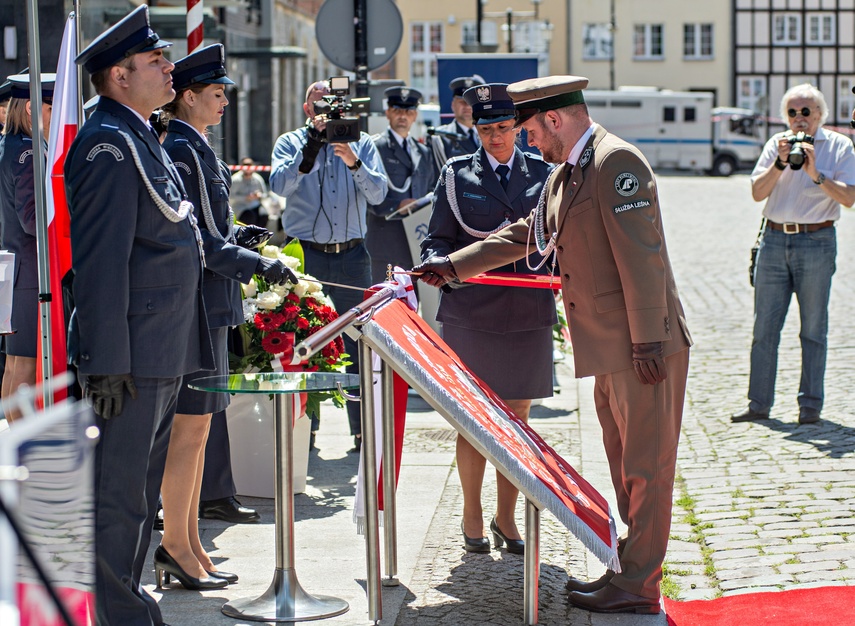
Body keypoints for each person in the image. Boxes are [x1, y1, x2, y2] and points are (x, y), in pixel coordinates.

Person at [414, 75, 692, 614]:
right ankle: (628, 568)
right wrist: (451, 265)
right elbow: (524, 233)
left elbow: (644, 261)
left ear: (555, 119)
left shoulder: (616, 164)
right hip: (613, 348)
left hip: (642, 348)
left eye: (530, 130)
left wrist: (650, 344)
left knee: (647, 467)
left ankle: (639, 585)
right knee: (624, 464)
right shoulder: (570, 172)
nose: (528, 143)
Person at [66, 6, 214, 624]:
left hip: (157, 346)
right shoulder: (109, 143)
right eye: (155, 61)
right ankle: (117, 612)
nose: (169, 67)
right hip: (129, 352)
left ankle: (127, 598)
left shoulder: (137, 135)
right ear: (119, 76)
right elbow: (101, 262)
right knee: (118, 496)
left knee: (136, 496)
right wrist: (105, 362)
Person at [159, 44, 296, 590]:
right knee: (189, 431)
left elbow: (215, 229)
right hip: (195, 302)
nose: (223, 104)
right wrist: (256, 262)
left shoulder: (199, 148)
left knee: (201, 427)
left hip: (211, 301)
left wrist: (244, 237)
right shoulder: (183, 150)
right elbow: (201, 244)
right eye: (215, 95)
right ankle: (176, 545)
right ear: (188, 97)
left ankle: (188, 543)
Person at [421, 83, 554, 555]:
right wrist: (438, 265)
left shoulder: (544, 172)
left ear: (517, 127)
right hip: (472, 311)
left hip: (527, 311)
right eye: (486, 129)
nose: (495, 138)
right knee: (472, 420)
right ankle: (472, 513)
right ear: (473, 128)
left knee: (517, 417)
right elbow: (436, 239)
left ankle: (506, 516)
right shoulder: (457, 175)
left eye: (503, 128)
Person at [270, 79, 387, 452]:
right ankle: (310, 430)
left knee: (358, 344)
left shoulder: (363, 143)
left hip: (352, 256)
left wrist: (352, 160)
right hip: (308, 257)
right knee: (308, 343)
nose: (325, 112)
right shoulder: (290, 142)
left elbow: (380, 193)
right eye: (318, 105)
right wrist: (311, 148)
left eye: (333, 105)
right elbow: (279, 186)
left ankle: (361, 429)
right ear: (307, 110)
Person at [731, 84, 855, 426]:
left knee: (814, 329)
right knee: (764, 329)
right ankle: (758, 405)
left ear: (820, 114)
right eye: (792, 112)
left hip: (816, 242)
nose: (799, 119)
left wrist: (817, 175)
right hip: (774, 241)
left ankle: (810, 407)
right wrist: (780, 164)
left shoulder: (840, 146)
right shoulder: (776, 145)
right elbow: (757, 193)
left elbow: (848, 198)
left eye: (806, 111)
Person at [0, 72, 54, 422]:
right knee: (25, 368)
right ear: (33, 108)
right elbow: (34, 219)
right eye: (52, 108)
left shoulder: (11, 147)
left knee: (16, 365)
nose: (56, 116)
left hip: (15, 268)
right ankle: (21, 455)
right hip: (30, 273)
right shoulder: (29, 153)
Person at [366, 85, 439, 283]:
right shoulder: (375, 147)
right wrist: (395, 206)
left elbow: (432, 188)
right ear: (388, 113)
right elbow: (366, 191)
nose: (402, 116)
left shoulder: (422, 151)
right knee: (384, 303)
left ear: (414, 116)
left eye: (408, 112)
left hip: (416, 240)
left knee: (413, 303)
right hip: (386, 239)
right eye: (397, 111)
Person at [427, 74, 485, 170]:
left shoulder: (489, 134)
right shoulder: (440, 138)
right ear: (453, 105)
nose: (467, 106)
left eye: (471, 102)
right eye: (462, 102)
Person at [230, 157, 268, 227]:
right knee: (250, 217)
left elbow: (265, 194)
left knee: (264, 215)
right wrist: (245, 198)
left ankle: (260, 236)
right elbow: (231, 196)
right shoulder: (235, 180)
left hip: (255, 205)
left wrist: (259, 195)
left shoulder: (257, 178)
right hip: (241, 207)